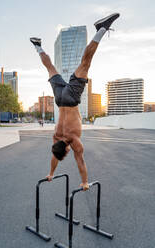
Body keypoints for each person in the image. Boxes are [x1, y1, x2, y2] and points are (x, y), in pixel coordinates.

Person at [30, 13, 120, 190]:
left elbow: (80, 162)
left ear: (66, 149)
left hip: (70, 98)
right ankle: (37, 46)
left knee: (86, 63)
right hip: (59, 99)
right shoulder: (55, 137)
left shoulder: (73, 140)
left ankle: (101, 28)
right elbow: (54, 156)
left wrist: (85, 182)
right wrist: (51, 173)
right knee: (50, 68)